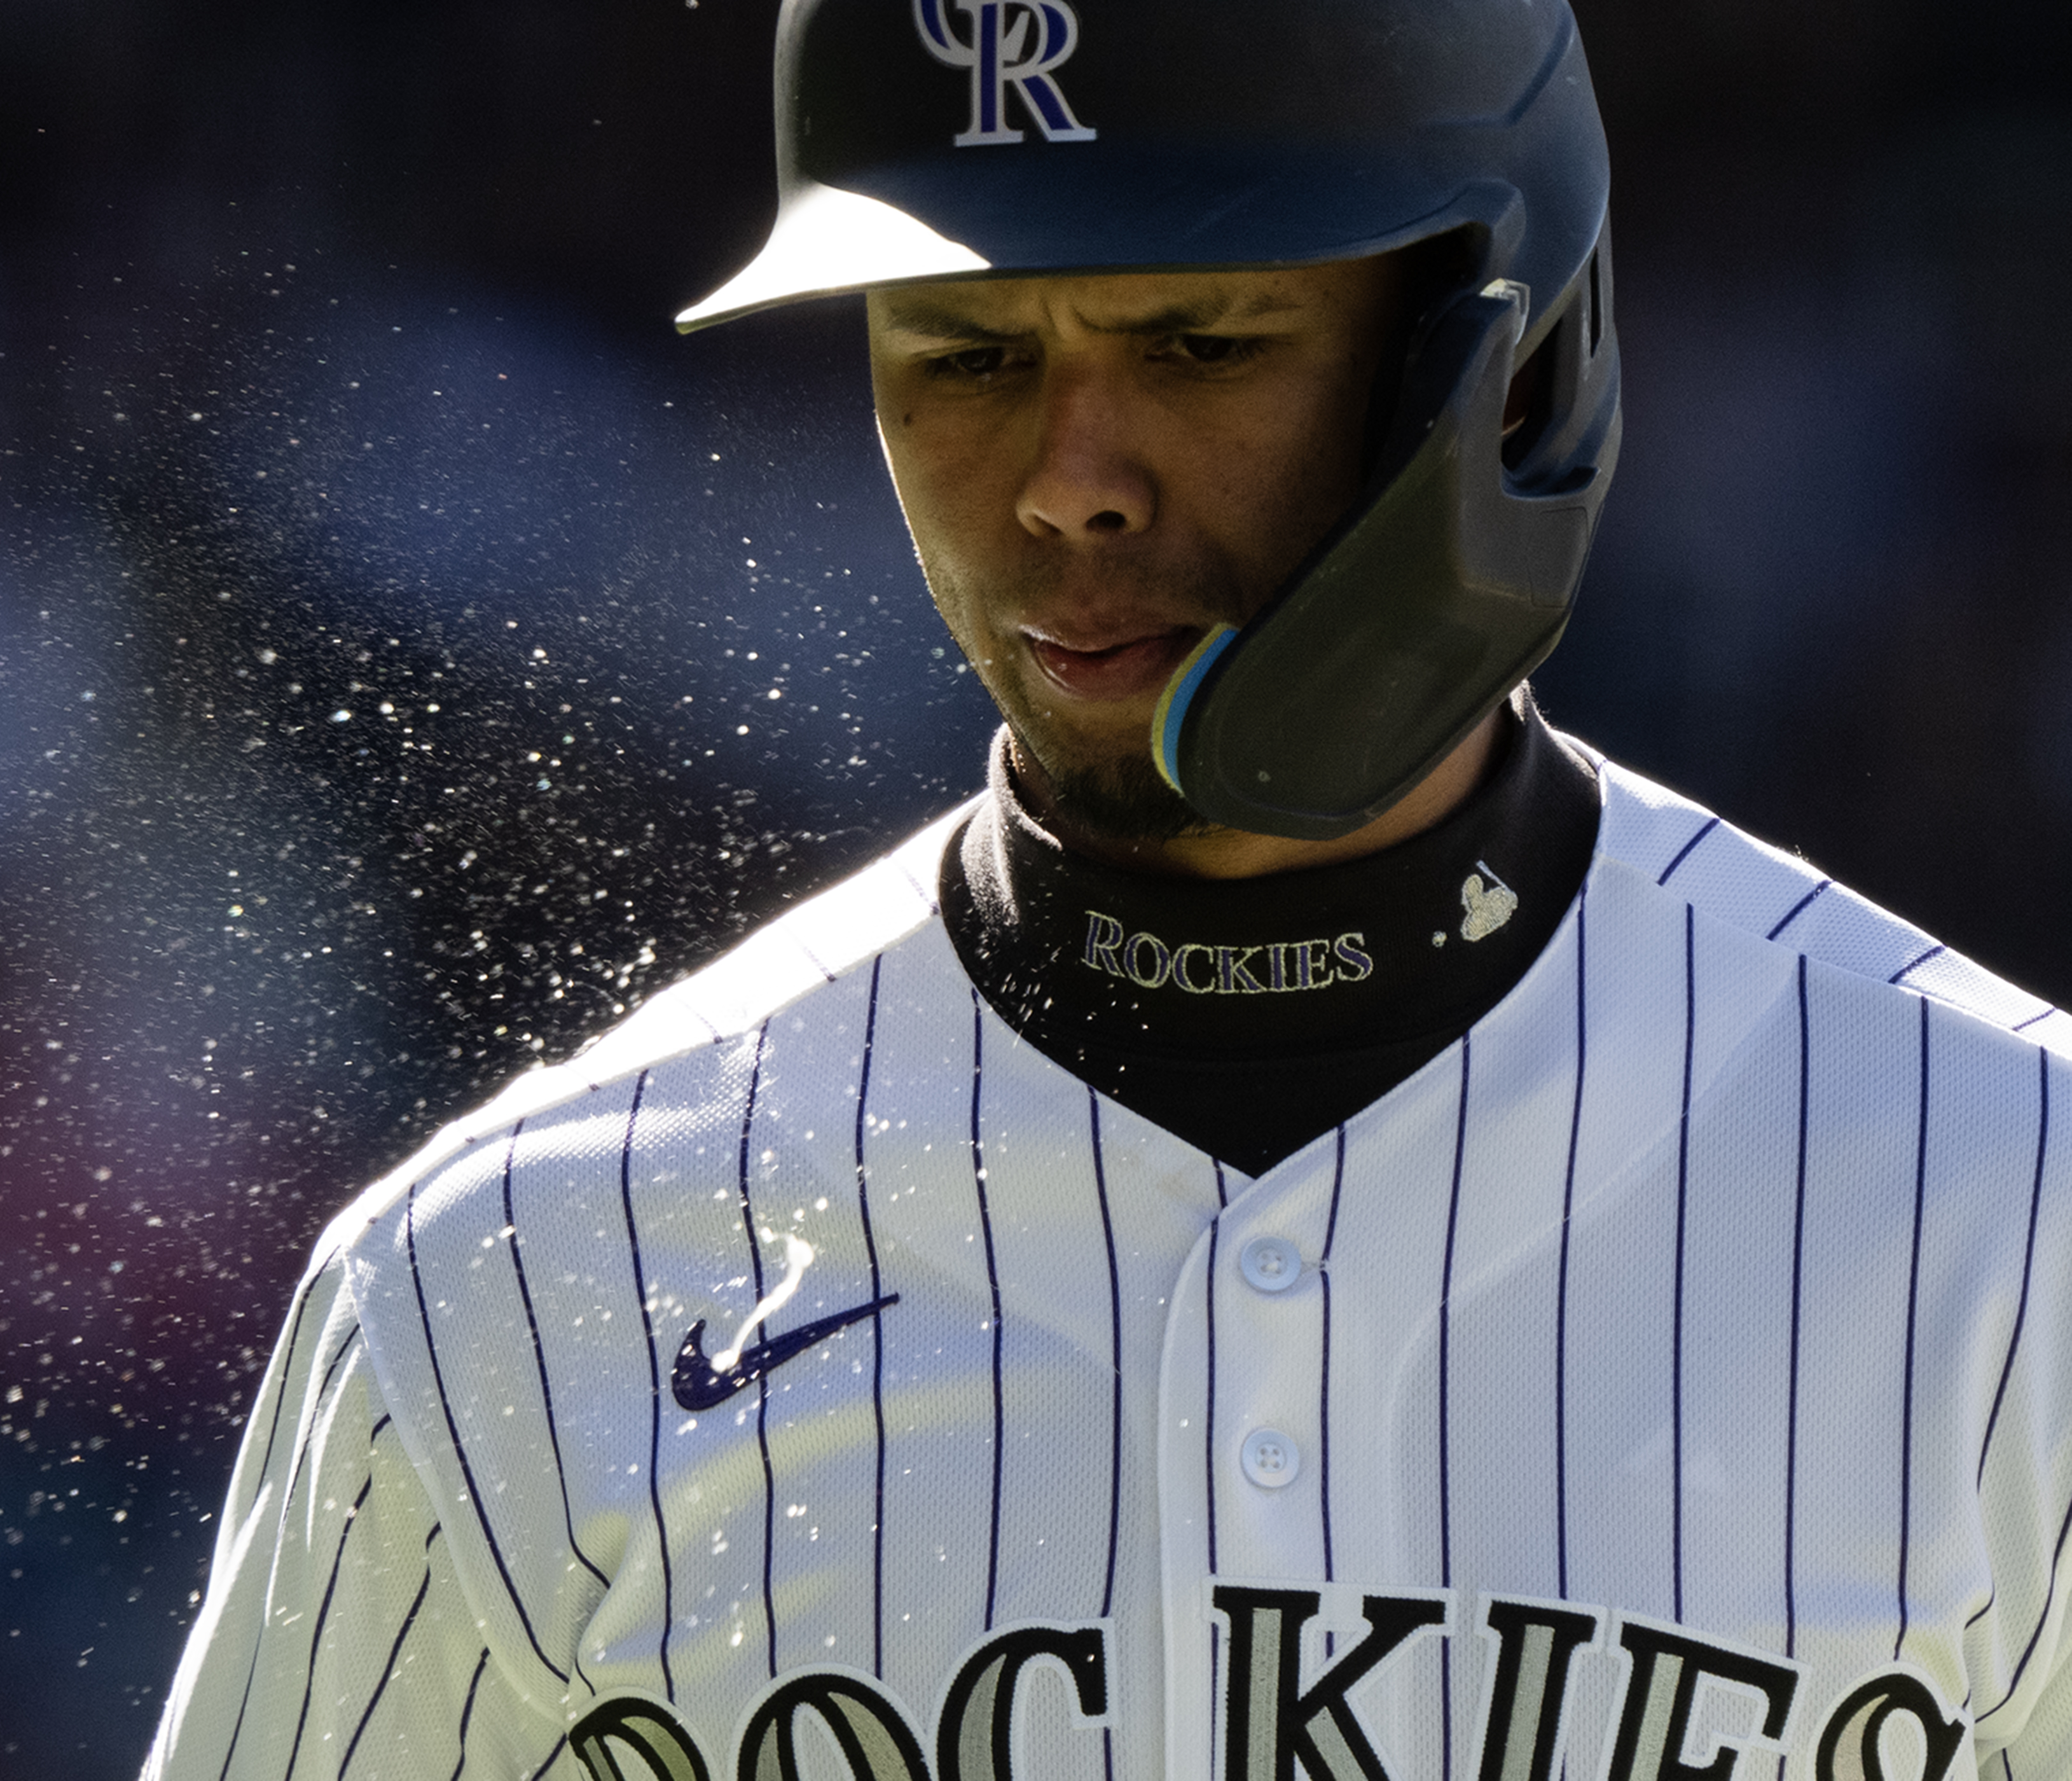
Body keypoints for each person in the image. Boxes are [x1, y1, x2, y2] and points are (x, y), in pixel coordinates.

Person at [142, 0, 2072, 1775]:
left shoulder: (2017, 1205)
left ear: (1502, 362)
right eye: (969, 355)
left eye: (1199, 342)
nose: (1069, 483)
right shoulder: (513, 1278)